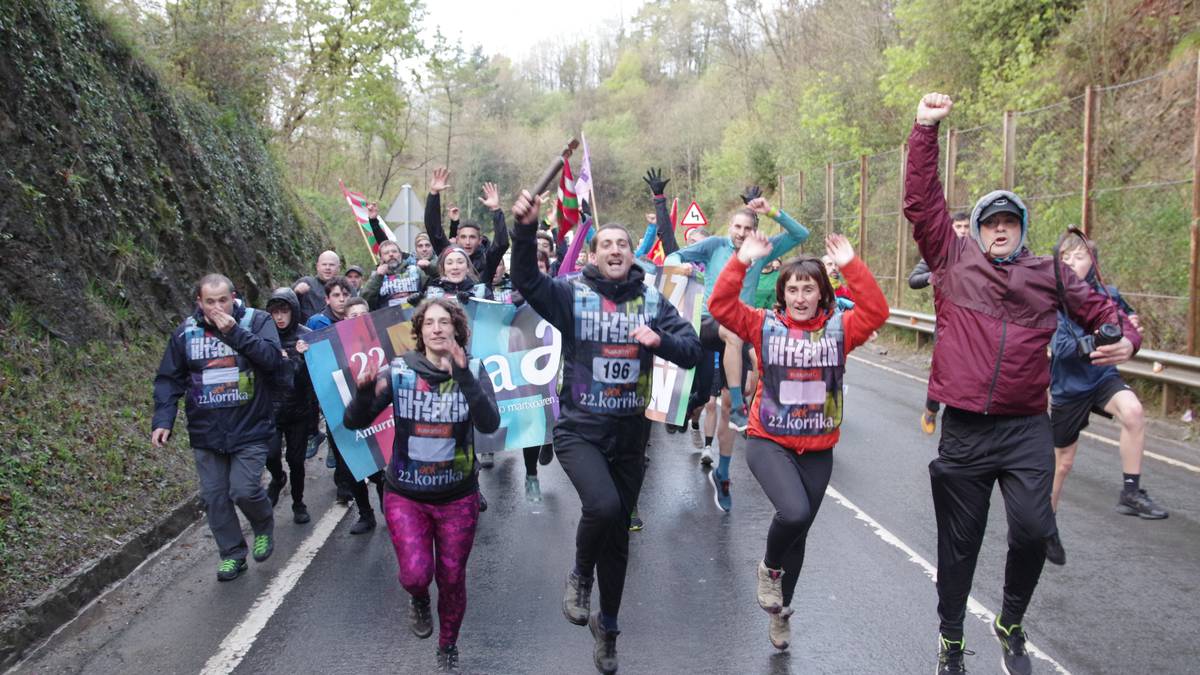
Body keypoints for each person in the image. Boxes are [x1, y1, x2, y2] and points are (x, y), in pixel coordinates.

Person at [906, 92, 1141, 675]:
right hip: (965, 429)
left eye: (1009, 222)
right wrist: (925, 129)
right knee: (959, 546)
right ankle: (951, 639)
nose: (1000, 229)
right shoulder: (952, 261)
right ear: (978, 230)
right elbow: (921, 201)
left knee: (1035, 531)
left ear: (1022, 230)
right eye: (991, 221)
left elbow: (1103, 310)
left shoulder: (1049, 274)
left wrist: (1128, 338)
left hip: (1025, 428)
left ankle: (1010, 620)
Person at [511, 189, 702, 675]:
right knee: (603, 505)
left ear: (632, 255)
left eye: (623, 244)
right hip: (579, 431)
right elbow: (527, 279)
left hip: (630, 438)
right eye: (606, 245)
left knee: (618, 540)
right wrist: (525, 230)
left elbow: (691, 350)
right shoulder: (571, 294)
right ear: (593, 255)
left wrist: (660, 340)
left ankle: (609, 628)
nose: (615, 250)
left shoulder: (651, 301)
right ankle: (579, 577)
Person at [711, 231, 888, 650]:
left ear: (822, 293)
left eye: (808, 289)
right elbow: (720, 305)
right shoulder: (763, 324)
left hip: (818, 449)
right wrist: (742, 260)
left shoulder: (842, 329)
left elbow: (877, 311)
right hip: (769, 440)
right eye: (792, 289)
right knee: (793, 513)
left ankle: (781, 611)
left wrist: (851, 265)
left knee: (799, 532)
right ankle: (769, 569)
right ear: (783, 294)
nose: (800, 297)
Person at [344, 298, 499, 672]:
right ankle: (418, 597)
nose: (437, 328)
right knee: (416, 575)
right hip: (406, 495)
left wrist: (463, 376)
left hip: (457, 497)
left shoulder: (474, 369)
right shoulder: (398, 371)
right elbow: (354, 422)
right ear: (419, 331)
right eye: (429, 322)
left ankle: (447, 646)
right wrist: (364, 394)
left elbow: (489, 423)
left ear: (456, 329)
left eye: (444, 321)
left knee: (452, 578)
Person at [652, 169, 811, 512]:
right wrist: (681, 267)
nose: (740, 233)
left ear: (755, 231)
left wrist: (772, 211)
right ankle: (736, 403)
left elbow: (801, 234)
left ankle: (723, 472)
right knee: (731, 336)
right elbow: (676, 255)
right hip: (709, 322)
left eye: (747, 228)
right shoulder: (714, 245)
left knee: (724, 406)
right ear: (729, 228)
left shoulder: (763, 251)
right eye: (736, 227)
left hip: (742, 328)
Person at [1045, 232, 1166, 565]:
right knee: (1062, 463)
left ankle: (1131, 492)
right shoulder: (1053, 299)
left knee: (1134, 412)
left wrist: (1131, 333)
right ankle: (1045, 524)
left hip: (1102, 377)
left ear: (1093, 262)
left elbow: (1128, 324)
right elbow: (1062, 348)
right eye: (1065, 258)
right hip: (1069, 387)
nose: (1072, 263)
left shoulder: (1107, 294)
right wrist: (1099, 340)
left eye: (1079, 256)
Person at [152, 274, 283, 581]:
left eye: (223, 300)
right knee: (214, 497)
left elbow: (273, 361)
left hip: (250, 425)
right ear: (199, 302)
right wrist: (163, 420)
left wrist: (234, 333)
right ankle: (233, 554)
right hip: (207, 430)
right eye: (210, 302)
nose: (217, 307)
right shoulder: (186, 332)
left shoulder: (256, 321)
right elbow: (169, 379)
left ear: (233, 297)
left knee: (244, 490)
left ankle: (263, 525)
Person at [300, 279, 383, 533]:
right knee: (351, 466)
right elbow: (317, 373)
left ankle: (388, 508)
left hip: (377, 411)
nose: (358, 319)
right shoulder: (330, 343)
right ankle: (365, 514)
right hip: (342, 411)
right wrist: (305, 352)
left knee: (381, 465)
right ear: (344, 319)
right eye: (353, 316)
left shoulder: (379, 337)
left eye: (363, 315)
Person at [909, 212, 971, 434]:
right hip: (947, 323)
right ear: (951, 229)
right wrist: (933, 275)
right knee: (942, 367)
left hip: (974, 324)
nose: (962, 231)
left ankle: (965, 416)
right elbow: (913, 280)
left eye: (966, 226)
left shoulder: (980, 253)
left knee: (970, 369)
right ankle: (931, 408)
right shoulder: (938, 253)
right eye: (958, 226)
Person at [264, 287, 316, 524]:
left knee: (296, 460)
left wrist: (302, 358)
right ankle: (277, 478)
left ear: (293, 311)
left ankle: (298, 502)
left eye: (284, 311)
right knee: (270, 454)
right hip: (271, 409)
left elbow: (315, 377)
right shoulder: (264, 335)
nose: (280, 317)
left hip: (299, 410)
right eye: (275, 312)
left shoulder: (306, 336)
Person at [424, 169, 508, 284]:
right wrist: (433, 194)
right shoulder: (448, 253)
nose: (467, 242)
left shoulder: (487, 261)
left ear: (480, 240)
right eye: (463, 237)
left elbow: (502, 244)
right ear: (457, 239)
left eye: (472, 237)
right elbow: (434, 230)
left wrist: (496, 209)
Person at [362, 239, 426, 311]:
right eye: (386, 253)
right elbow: (365, 302)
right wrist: (378, 276)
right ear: (381, 258)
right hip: (388, 315)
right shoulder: (376, 277)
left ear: (400, 255)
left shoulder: (416, 270)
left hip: (415, 313)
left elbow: (429, 291)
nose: (391, 254)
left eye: (394, 251)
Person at [293, 251, 341, 323]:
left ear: (338, 268)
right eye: (324, 264)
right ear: (317, 266)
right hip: (309, 328)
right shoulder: (306, 282)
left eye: (331, 265)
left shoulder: (345, 288)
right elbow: (285, 304)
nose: (327, 268)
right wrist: (296, 292)